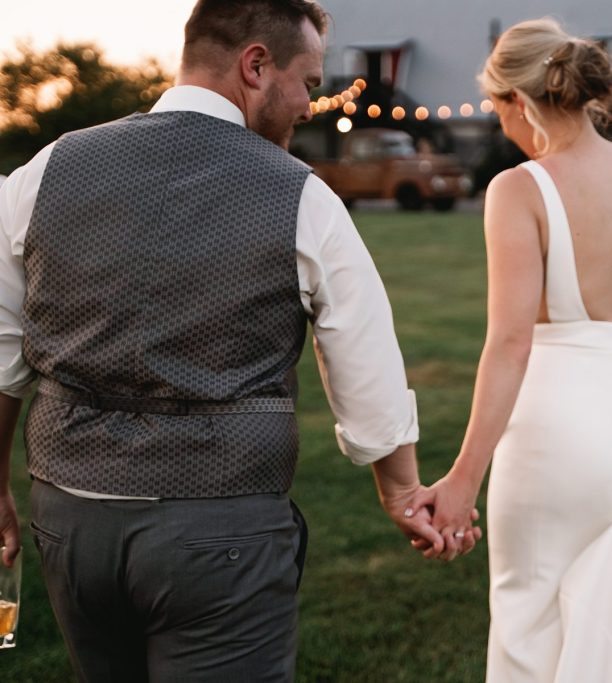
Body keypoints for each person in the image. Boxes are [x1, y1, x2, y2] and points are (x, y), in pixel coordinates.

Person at [0, 1, 477, 680]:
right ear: (256, 65)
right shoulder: (301, 196)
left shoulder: (47, 170)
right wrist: (401, 491)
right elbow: (364, 362)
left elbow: (3, 346)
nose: (312, 106)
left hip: (71, 519)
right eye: (308, 84)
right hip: (220, 529)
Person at [413, 17, 612, 682]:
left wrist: (461, 479)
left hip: (558, 438)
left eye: (494, 108)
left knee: (529, 618)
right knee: (611, 594)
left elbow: (510, 344)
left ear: (518, 101)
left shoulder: (520, 188)